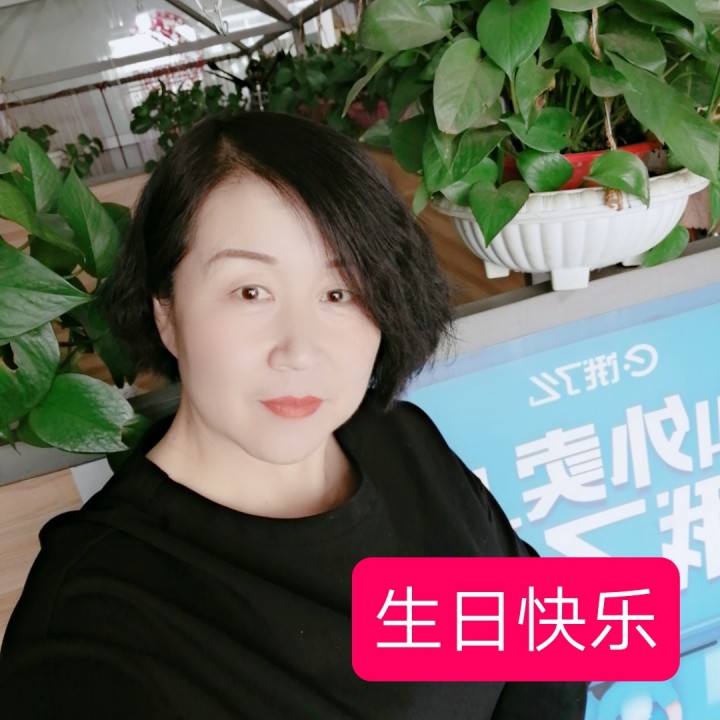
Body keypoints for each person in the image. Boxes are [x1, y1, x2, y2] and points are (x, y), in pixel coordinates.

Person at [0, 112, 588, 718]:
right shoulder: (91, 623)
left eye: (339, 292)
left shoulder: (401, 441)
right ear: (166, 312)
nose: (300, 351)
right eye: (250, 291)